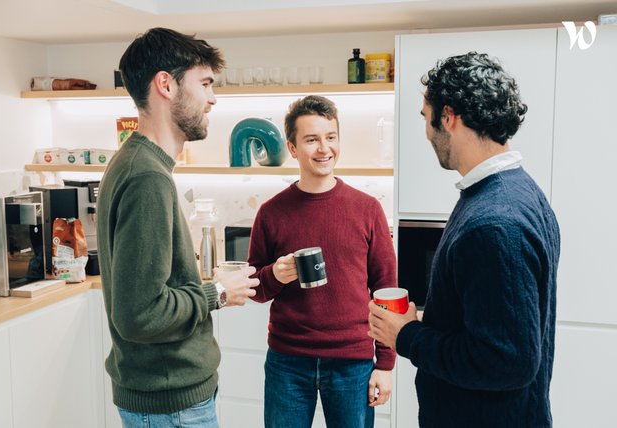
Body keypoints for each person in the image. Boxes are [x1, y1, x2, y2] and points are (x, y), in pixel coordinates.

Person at [368, 52, 561, 427]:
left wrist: (406, 335)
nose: (427, 133)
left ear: (448, 117)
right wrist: (424, 321)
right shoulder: (519, 191)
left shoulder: (495, 223)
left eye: (426, 118)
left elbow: (507, 361)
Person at [96, 27, 259, 428]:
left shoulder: (138, 163)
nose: (212, 98)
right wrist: (218, 292)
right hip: (169, 404)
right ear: (166, 85)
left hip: (166, 397)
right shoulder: (146, 177)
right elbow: (140, 315)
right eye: (205, 83)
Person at [247, 95, 397, 428]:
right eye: (312, 139)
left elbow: (387, 289)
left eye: (331, 137)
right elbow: (256, 288)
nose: (324, 148)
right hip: (288, 361)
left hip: (353, 362)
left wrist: (386, 364)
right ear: (292, 147)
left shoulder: (367, 209)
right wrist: (276, 275)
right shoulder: (271, 212)